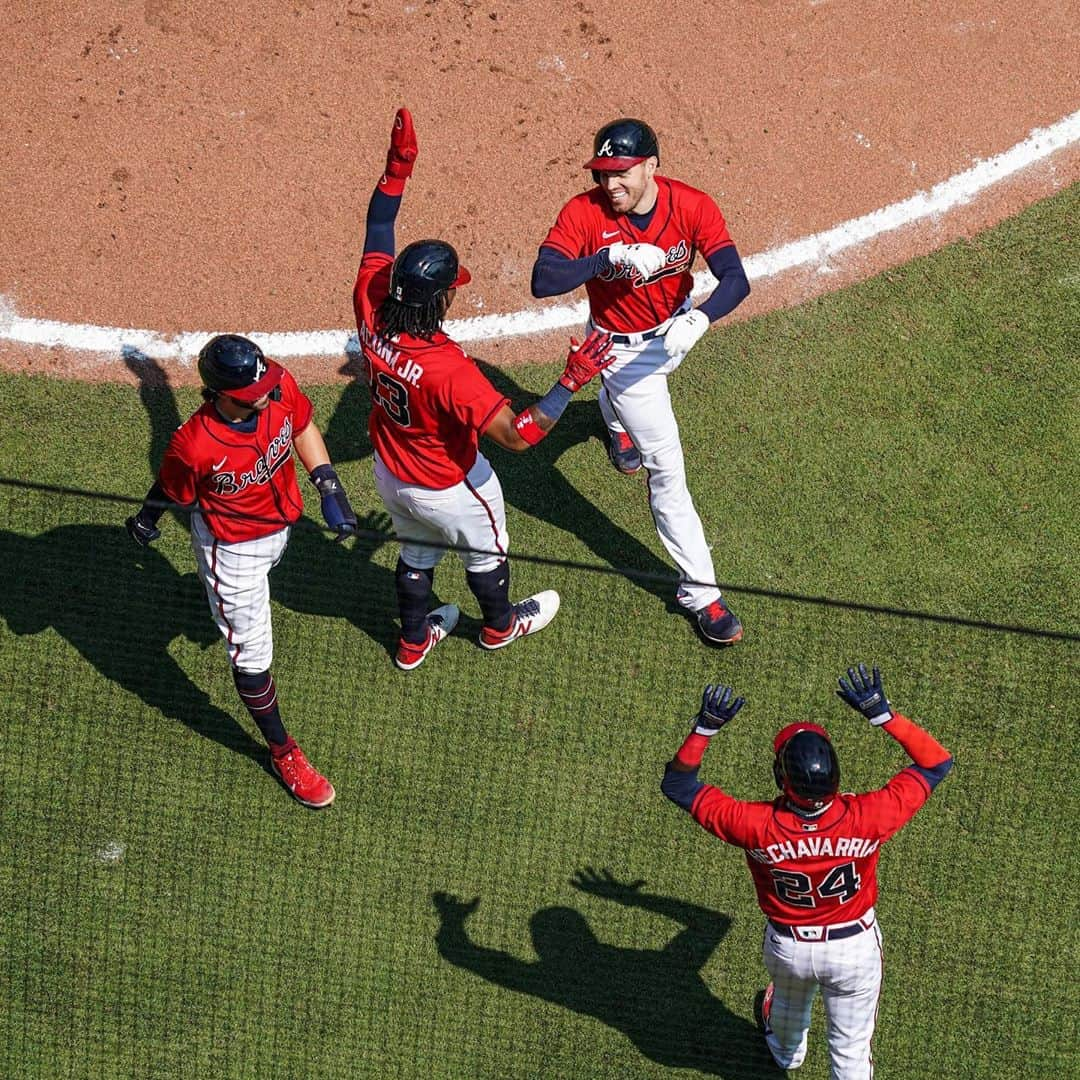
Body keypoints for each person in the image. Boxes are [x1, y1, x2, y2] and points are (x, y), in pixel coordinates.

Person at [353, 109, 615, 671]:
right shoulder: (450, 370)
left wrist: (397, 168)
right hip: (450, 485)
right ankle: (499, 626)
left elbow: (378, 229)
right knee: (486, 551)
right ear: (439, 299)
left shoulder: (370, 306)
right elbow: (519, 438)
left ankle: (412, 640)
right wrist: (569, 382)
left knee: (416, 553)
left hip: (390, 473)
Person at [661, 664, 954, 1079]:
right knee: (850, 1050)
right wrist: (882, 714)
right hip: (853, 951)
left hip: (790, 949)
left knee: (788, 1002)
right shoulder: (868, 816)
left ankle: (785, 1053)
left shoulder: (754, 824)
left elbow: (678, 785)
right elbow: (936, 763)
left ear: (782, 779)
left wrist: (705, 729)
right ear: (835, 776)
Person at [531, 118, 751, 646]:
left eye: (622, 173)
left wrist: (700, 318)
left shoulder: (692, 205)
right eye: (603, 173)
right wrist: (604, 258)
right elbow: (543, 280)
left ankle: (614, 423)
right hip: (623, 356)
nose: (611, 185)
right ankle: (702, 594)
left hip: (674, 330)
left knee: (627, 412)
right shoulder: (584, 213)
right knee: (668, 473)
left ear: (652, 165)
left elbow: (736, 278)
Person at [125, 334, 358, 809]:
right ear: (223, 394)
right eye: (255, 392)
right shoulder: (194, 444)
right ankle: (283, 751)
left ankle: (218, 607)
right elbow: (172, 483)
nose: (268, 393)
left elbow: (303, 424)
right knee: (251, 658)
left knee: (232, 619)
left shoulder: (271, 382)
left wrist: (328, 485)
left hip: (283, 530)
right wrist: (146, 519)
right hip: (233, 555)